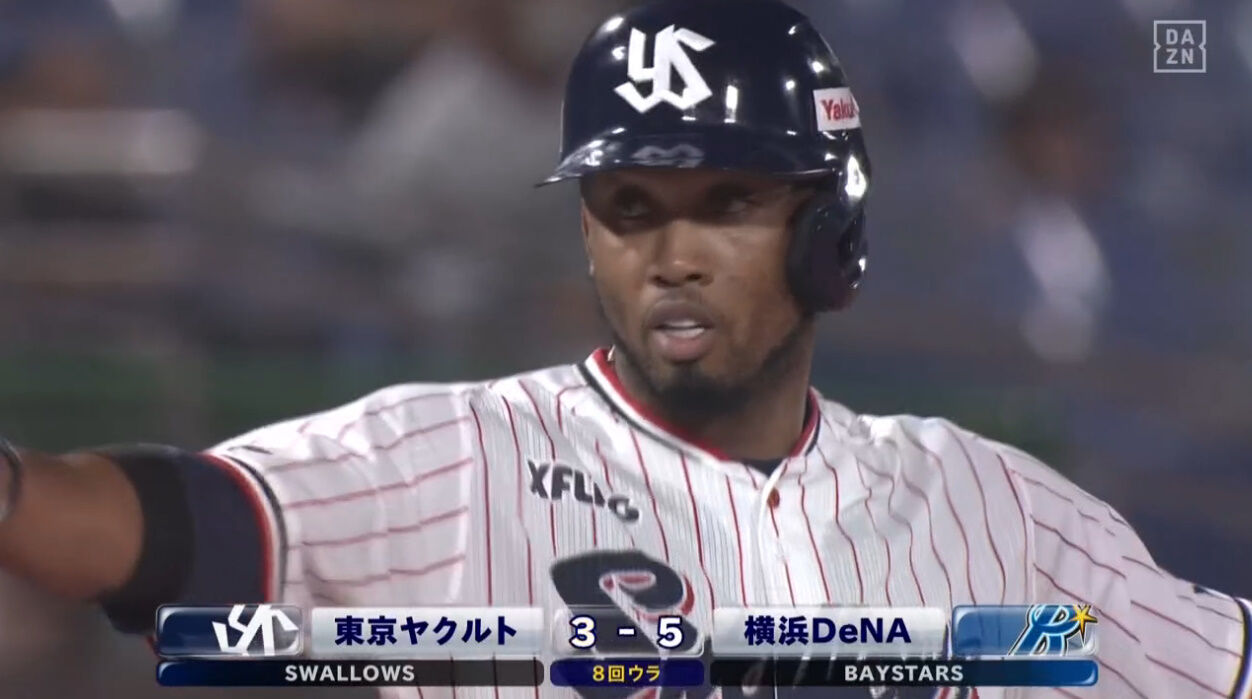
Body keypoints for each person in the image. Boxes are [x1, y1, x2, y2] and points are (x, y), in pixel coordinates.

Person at [0, 1, 1246, 698]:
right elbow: (156, 525)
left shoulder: (994, 507)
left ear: (832, 232)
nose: (672, 254)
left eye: (728, 203)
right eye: (631, 208)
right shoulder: (452, 456)